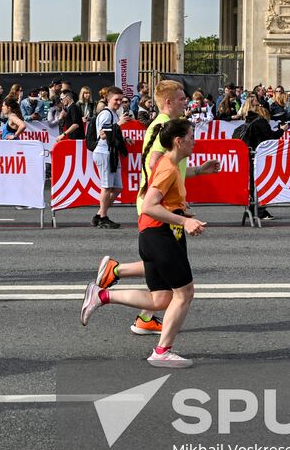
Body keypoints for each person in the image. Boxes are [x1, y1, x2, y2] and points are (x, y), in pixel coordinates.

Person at [92, 80, 220, 336]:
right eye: (182, 98)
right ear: (169, 102)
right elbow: (155, 164)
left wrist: (198, 171)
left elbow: (172, 170)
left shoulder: (168, 125)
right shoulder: (163, 126)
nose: (187, 102)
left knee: (163, 267)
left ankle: (137, 307)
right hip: (158, 209)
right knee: (173, 274)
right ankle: (117, 279)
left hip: (165, 206)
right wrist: (172, 202)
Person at [81, 119, 205, 368]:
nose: (194, 140)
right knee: (184, 293)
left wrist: (183, 210)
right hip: (161, 236)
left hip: (155, 236)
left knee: (160, 300)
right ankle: (162, 351)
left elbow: (165, 201)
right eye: (191, 136)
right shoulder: (169, 167)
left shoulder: (171, 163)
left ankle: (103, 295)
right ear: (179, 141)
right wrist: (184, 221)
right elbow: (149, 206)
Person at [239, 94, 286, 220]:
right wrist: (282, 130)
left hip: (249, 155)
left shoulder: (249, 121)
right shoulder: (260, 122)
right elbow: (270, 137)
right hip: (257, 156)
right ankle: (259, 211)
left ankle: (253, 209)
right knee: (258, 183)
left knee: (253, 183)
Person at [91, 87, 127, 229]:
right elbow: (103, 134)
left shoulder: (113, 113)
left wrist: (125, 138)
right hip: (104, 152)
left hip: (111, 152)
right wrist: (119, 125)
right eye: (116, 99)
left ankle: (100, 214)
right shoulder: (106, 114)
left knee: (118, 187)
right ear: (108, 99)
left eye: (120, 99)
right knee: (106, 187)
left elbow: (112, 133)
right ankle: (103, 217)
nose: (119, 102)